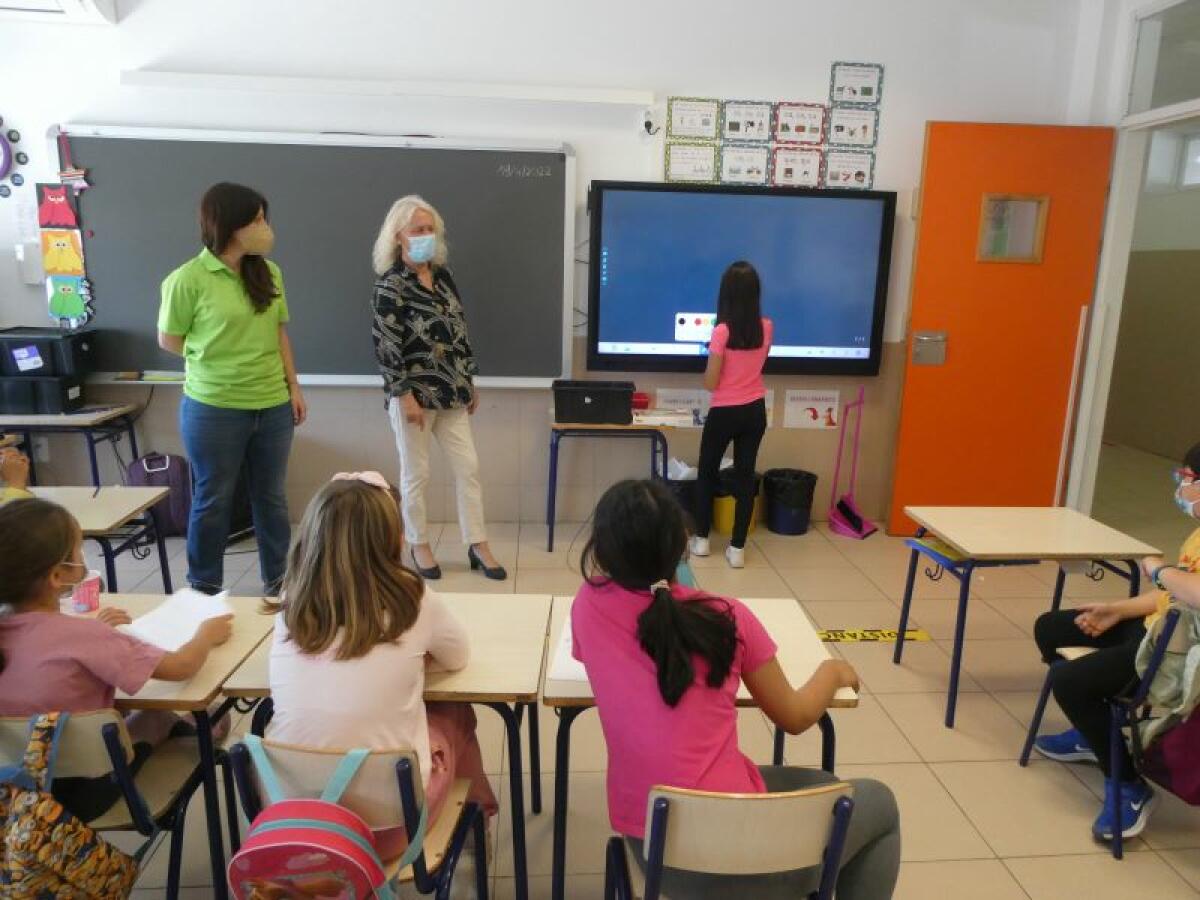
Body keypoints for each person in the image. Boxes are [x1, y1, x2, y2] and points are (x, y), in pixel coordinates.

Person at [573, 479, 900, 898]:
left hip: (653, 851)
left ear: (600, 552)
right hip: (748, 863)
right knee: (880, 805)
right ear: (683, 544)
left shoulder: (588, 605)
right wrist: (832, 672)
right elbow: (795, 717)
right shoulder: (726, 618)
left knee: (819, 780)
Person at [265, 472, 498, 857]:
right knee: (454, 711)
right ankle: (476, 825)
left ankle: (475, 823)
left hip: (296, 821)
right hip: (392, 830)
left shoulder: (292, 602)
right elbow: (458, 657)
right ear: (392, 539)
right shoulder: (414, 597)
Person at [0, 497, 233, 823]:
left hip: (10, 793)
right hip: (84, 796)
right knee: (198, 713)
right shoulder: (85, 638)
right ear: (57, 575)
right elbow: (182, 667)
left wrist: (92, 631)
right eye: (79, 550)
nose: (84, 558)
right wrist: (205, 634)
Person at [1032, 441, 1200, 841]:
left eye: (1186, 479)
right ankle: (1096, 733)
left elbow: (1188, 589)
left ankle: (1129, 785)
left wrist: (1161, 571)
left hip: (1176, 655)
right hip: (1157, 631)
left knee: (1069, 682)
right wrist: (1118, 609)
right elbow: (1174, 595)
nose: (1180, 487)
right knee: (1052, 627)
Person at [158, 182, 307, 596]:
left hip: (272, 405)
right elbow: (169, 339)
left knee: (271, 499)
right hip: (214, 407)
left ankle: (279, 581)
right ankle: (204, 587)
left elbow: (279, 333)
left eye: (264, 217)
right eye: (256, 219)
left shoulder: (268, 271)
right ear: (230, 224)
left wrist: (293, 386)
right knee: (213, 499)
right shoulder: (187, 279)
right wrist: (211, 355)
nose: (265, 227)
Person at [370, 195, 506, 582]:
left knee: (469, 469)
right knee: (417, 474)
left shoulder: (444, 277)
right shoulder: (390, 285)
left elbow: (459, 332)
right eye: (418, 230)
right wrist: (403, 394)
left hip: (453, 394)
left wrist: (470, 379)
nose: (426, 236)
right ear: (399, 236)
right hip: (413, 397)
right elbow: (386, 344)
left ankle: (477, 543)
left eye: (431, 229)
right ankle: (418, 543)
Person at [691, 261, 773, 568]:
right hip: (754, 411)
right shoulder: (767, 327)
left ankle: (701, 541)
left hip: (724, 411)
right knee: (745, 476)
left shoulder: (721, 332)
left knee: (707, 473)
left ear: (726, 295)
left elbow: (711, 383)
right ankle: (737, 549)